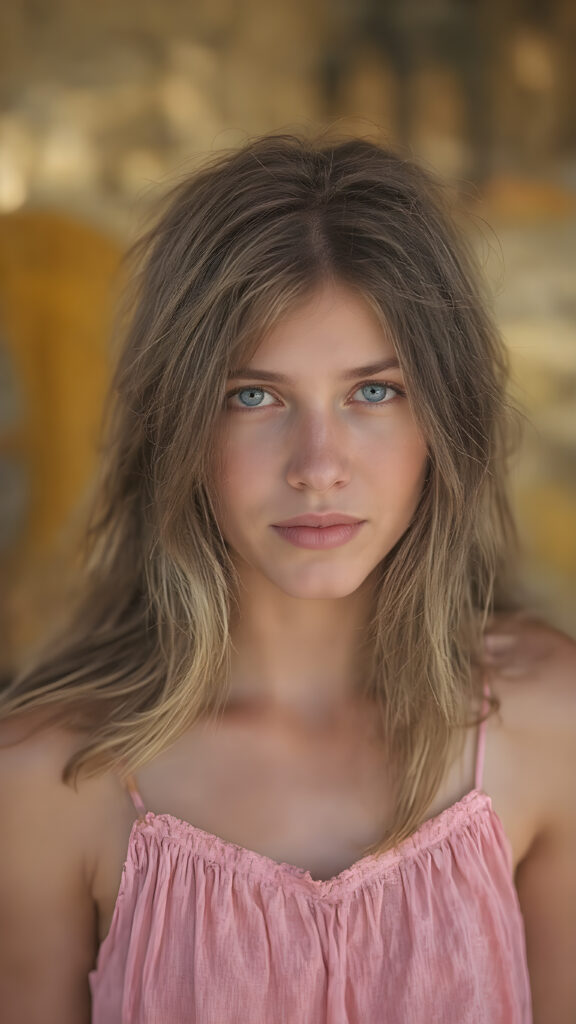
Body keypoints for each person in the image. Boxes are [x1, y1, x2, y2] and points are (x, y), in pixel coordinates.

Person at [0, 131, 574, 1024]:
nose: (317, 466)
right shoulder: (49, 781)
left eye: (373, 392)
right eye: (254, 395)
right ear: (180, 426)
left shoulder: (550, 728)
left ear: (444, 421)